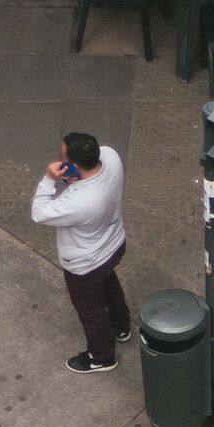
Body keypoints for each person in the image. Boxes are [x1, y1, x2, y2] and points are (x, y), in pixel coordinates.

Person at [30, 130, 131, 375]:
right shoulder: (111, 157)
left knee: (91, 312)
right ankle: (121, 326)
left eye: (63, 157)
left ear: (73, 165)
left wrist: (48, 179)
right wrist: (72, 178)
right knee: (109, 284)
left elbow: (39, 212)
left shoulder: (79, 202)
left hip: (85, 264)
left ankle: (101, 356)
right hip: (113, 244)